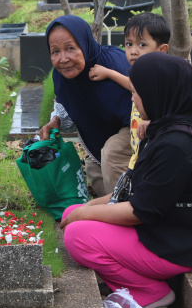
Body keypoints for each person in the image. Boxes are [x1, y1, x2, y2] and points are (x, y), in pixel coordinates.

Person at [60, 53, 192, 308]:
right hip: (160, 230)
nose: (132, 99)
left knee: (77, 235)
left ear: (157, 94)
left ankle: (151, 292)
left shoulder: (176, 147)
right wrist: (84, 209)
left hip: (173, 246)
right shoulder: (164, 128)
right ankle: (139, 279)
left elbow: (139, 210)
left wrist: (84, 212)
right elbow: (131, 187)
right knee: (72, 214)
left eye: (136, 92)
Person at [39, 15, 133, 199]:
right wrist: (55, 120)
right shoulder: (62, 76)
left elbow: (149, 99)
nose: (63, 59)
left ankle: (129, 212)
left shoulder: (114, 65)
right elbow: (67, 103)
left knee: (112, 154)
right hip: (104, 134)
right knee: (95, 171)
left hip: (142, 124)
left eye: (70, 48)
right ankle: (117, 207)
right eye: (55, 51)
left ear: (85, 43)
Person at [88, 13, 170, 171]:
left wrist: (108, 73)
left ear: (162, 49)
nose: (133, 51)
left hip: (154, 141)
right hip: (138, 139)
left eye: (142, 45)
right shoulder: (140, 71)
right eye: (128, 44)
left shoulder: (159, 74)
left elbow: (134, 86)